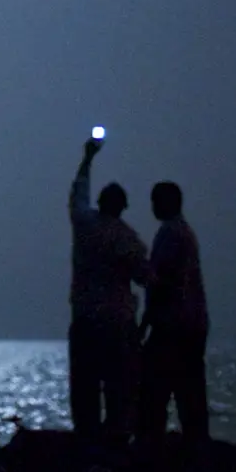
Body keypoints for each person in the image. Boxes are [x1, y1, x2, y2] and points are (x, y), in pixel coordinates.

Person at [67, 134, 148, 445]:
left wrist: (88, 158)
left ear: (101, 203)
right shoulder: (129, 239)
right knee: (118, 387)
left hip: (86, 316)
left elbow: (78, 193)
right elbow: (145, 277)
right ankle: (115, 440)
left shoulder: (85, 225)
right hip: (117, 320)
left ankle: (86, 440)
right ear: (123, 208)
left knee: (85, 387)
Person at [139, 181, 211, 449]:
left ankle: (153, 445)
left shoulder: (171, 234)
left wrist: (145, 323)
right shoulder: (182, 232)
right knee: (189, 390)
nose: (153, 207)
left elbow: (164, 282)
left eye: (156, 201)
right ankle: (195, 444)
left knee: (154, 389)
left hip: (174, 325)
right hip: (189, 324)